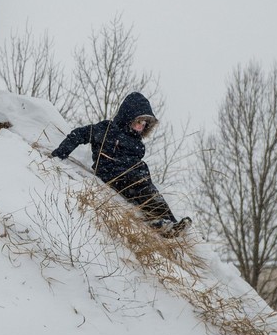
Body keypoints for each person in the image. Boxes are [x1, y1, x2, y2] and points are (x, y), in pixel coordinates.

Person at [51, 91, 190, 234]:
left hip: (130, 178)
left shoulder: (138, 144)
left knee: (151, 192)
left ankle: (168, 222)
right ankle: (160, 223)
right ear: (128, 117)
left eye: (144, 124)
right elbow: (80, 134)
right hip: (110, 172)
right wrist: (61, 152)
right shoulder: (107, 129)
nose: (140, 127)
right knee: (140, 184)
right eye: (138, 122)